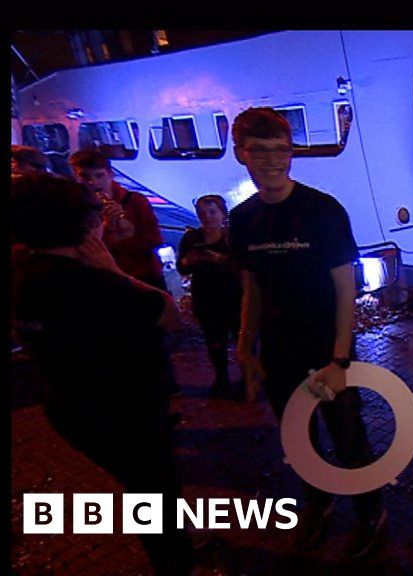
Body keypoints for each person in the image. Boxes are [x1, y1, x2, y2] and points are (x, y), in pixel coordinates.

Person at [11, 174, 194, 576]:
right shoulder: (92, 284)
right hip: (126, 415)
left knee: (139, 486)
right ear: (80, 226)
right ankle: (174, 562)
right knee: (154, 492)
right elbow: (168, 311)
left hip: (71, 409)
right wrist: (113, 271)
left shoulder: (25, 275)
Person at [228, 107, 386, 555]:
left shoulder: (322, 211)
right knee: (299, 438)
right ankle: (319, 506)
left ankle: (370, 510)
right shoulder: (243, 219)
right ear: (241, 154)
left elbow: (345, 288)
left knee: (348, 435)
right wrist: (245, 344)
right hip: (279, 350)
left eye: (281, 150)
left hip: (324, 346)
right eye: (259, 151)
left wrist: (339, 360)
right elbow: (252, 286)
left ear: (292, 153)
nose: (272, 161)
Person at [70, 148, 167, 291]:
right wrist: (105, 228)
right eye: (84, 176)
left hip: (143, 275)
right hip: (103, 278)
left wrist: (126, 235)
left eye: (99, 175)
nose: (92, 183)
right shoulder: (74, 207)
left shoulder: (135, 201)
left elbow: (155, 240)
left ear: (111, 174)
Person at [177, 194, 242, 399]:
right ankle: (221, 379)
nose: (208, 217)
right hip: (207, 297)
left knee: (241, 339)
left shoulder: (233, 236)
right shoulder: (192, 238)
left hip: (234, 296)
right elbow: (182, 268)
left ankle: (247, 379)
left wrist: (220, 259)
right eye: (203, 213)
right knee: (215, 341)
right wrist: (189, 260)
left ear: (222, 213)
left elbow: (244, 267)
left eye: (212, 212)